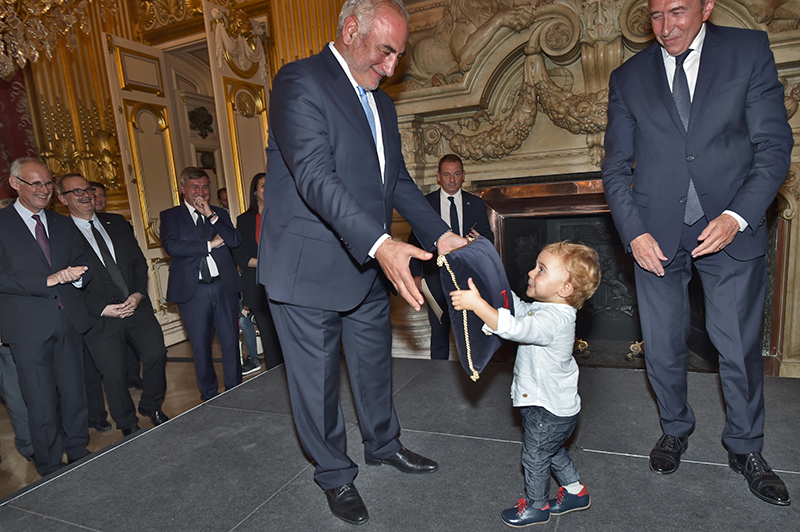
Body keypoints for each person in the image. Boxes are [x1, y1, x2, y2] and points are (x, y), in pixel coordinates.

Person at [257, 0, 467, 524]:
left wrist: (441, 234)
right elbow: (314, 178)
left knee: (375, 367)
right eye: (386, 51)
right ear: (351, 30)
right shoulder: (299, 81)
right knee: (318, 383)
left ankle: (384, 444)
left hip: (366, 265)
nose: (393, 67)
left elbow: (393, 181)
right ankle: (334, 474)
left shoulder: (382, 104)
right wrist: (381, 244)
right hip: (308, 271)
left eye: (399, 55)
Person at [601, 0, 792, 506]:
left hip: (730, 225)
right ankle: (674, 427)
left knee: (738, 348)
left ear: (707, 6)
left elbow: (773, 147)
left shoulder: (748, 51)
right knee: (662, 345)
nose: (666, 28)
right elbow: (616, 167)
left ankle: (746, 447)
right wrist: (634, 233)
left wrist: (737, 217)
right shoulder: (628, 77)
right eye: (656, 16)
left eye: (679, 12)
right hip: (654, 235)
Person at [451, 241, 601, 527]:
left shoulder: (555, 321)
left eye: (541, 270)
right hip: (553, 406)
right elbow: (519, 309)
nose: (531, 273)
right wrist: (494, 294)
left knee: (534, 458)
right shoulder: (545, 308)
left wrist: (477, 306)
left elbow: (517, 328)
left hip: (547, 409)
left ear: (565, 289)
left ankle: (536, 507)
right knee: (552, 451)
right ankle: (575, 492)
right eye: (535, 265)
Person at [0, 158, 93, 475]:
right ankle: (50, 462)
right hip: (27, 327)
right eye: (36, 183)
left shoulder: (63, 222)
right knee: (39, 401)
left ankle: (78, 447)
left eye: (48, 184)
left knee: (74, 392)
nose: (44, 190)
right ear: (16, 184)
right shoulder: (1, 224)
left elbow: (80, 261)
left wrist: (77, 275)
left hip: (68, 320)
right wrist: (48, 281)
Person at [58, 173, 169, 434]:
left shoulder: (117, 222)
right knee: (115, 374)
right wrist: (101, 309)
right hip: (100, 317)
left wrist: (138, 294)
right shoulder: (60, 235)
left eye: (87, 189)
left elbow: (138, 263)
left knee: (156, 354)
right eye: (76, 192)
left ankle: (151, 405)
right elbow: (66, 283)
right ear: (63, 199)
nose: (86, 195)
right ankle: (128, 424)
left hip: (135, 306)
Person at [160, 167, 242, 400]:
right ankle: (209, 394)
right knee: (200, 346)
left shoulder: (219, 213)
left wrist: (212, 216)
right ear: (183, 188)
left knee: (230, 342)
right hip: (193, 291)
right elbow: (172, 247)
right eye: (195, 187)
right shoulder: (171, 216)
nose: (201, 192)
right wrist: (210, 245)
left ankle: (235, 389)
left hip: (223, 287)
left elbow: (235, 240)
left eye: (205, 187)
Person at [410, 153, 493, 359]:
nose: (452, 179)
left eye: (456, 174)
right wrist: (416, 275)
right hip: (435, 276)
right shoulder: (425, 204)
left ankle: (472, 372)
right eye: (447, 175)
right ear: (438, 176)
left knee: (470, 330)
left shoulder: (475, 203)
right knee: (439, 333)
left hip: (468, 277)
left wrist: (480, 238)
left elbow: (489, 236)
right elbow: (413, 242)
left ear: (463, 176)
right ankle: (438, 379)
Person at [232, 173, 283, 374]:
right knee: (269, 335)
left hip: (285, 282)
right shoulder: (244, 220)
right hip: (258, 284)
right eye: (263, 185)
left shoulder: (283, 215)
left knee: (288, 332)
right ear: (255, 192)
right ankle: (274, 376)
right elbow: (240, 255)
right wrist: (265, 264)